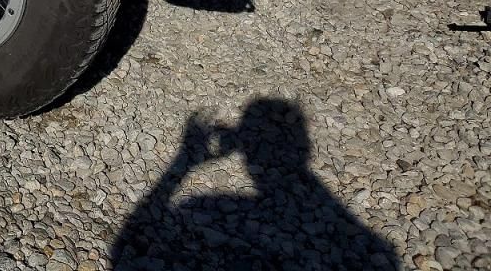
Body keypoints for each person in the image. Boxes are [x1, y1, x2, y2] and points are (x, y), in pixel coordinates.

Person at [111, 98, 400, 270]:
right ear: (305, 146)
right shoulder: (382, 254)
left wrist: (183, 162)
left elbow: (125, 241)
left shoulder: (196, 205)